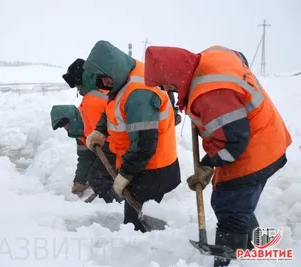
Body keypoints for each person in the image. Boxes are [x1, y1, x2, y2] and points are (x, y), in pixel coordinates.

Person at [144, 44, 292, 266]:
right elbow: (239, 56)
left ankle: (229, 260)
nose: (166, 90)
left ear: (173, 76)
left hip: (256, 149)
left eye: (165, 85)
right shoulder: (211, 56)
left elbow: (233, 142)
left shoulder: (209, 94)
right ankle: (253, 250)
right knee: (235, 202)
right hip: (266, 135)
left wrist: (208, 163)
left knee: (229, 207)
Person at [83, 40, 181, 232]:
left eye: (105, 78)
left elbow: (145, 143)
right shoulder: (124, 77)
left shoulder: (139, 94)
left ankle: (149, 252)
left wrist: (126, 174)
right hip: (143, 166)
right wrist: (100, 130)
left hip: (152, 169)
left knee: (136, 224)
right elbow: (113, 107)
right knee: (137, 214)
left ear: (113, 69)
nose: (104, 83)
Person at [50, 58, 121, 203]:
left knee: (97, 177)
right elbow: (85, 159)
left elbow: (108, 134)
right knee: (97, 175)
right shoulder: (95, 98)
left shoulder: (91, 101)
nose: (66, 129)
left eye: (77, 85)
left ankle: (113, 205)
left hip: (119, 148)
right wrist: (79, 182)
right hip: (122, 147)